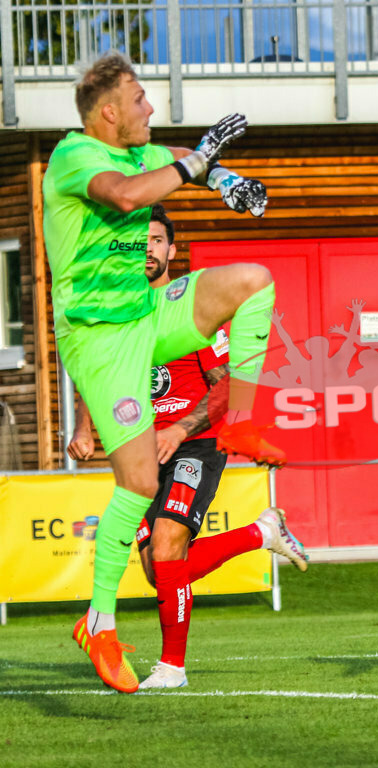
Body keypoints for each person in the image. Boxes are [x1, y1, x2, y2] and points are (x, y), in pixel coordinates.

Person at [43, 50, 287, 693]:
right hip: (98, 338)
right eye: (141, 98)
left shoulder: (140, 152)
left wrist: (225, 179)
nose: (151, 106)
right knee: (140, 479)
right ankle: (99, 621)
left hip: (147, 312)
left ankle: (239, 426)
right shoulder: (76, 158)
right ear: (108, 113)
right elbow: (127, 195)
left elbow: (173, 159)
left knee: (254, 282)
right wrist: (197, 160)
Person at [67, 204, 309, 689]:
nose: (147, 250)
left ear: (171, 250)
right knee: (162, 573)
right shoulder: (119, 315)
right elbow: (96, 371)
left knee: (167, 546)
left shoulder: (191, 314)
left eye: (156, 240)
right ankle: (260, 533)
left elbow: (227, 385)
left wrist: (179, 429)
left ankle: (172, 668)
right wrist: (85, 427)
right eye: (138, 242)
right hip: (139, 452)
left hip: (194, 445)